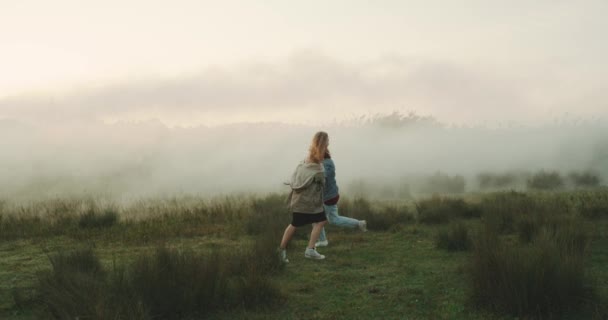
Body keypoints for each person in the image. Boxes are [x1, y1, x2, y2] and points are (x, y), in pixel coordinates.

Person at [278, 131, 329, 262]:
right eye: (327, 142)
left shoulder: (309, 156)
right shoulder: (318, 159)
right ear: (323, 143)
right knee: (316, 221)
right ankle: (308, 250)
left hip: (301, 200)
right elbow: (320, 178)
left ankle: (284, 250)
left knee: (300, 223)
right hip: (308, 202)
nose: (329, 144)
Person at [315, 139, 367, 248]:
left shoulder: (327, 163)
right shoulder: (323, 163)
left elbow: (323, 177)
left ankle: (323, 241)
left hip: (328, 197)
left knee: (316, 219)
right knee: (334, 219)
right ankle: (359, 223)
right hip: (330, 195)